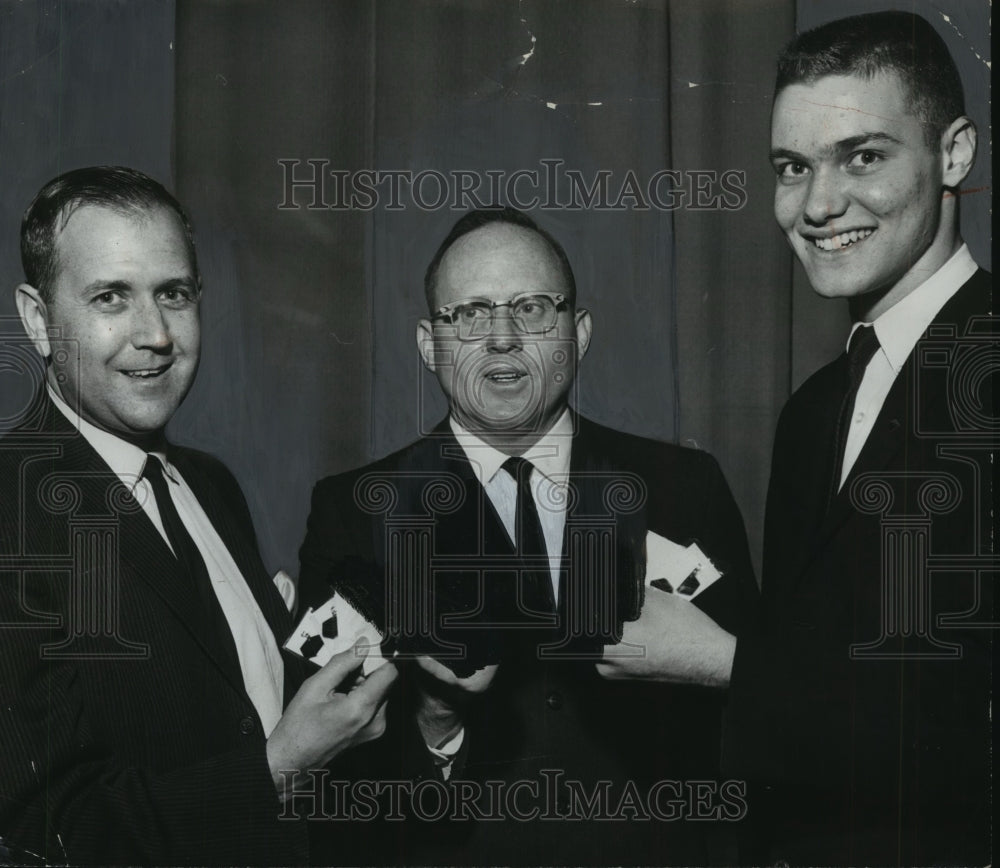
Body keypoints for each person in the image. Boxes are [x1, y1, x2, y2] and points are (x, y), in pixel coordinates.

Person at [599, 12, 993, 864]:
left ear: (955, 154)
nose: (817, 205)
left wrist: (721, 663)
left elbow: (965, 733)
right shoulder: (815, 409)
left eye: (864, 156)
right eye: (792, 167)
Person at [298, 207, 758, 865]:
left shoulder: (685, 486)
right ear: (430, 344)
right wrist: (436, 719)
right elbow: (320, 770)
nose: (503, 337)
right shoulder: (353, 511)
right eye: (471, 314)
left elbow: (757, 717)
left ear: (580, 331)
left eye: (533, 308)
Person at [0, 166, 397, 866]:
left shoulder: (208, 484)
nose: (154, 334)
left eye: (173, 294)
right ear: (38, 321)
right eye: (110, 297)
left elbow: (226, 708)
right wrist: (281, 768)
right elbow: (58, 831)